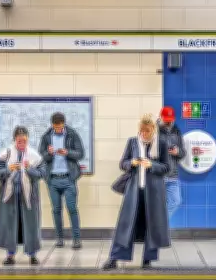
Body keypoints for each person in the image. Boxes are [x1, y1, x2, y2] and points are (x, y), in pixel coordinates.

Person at [102, 114, 171, 270]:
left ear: (153, 130)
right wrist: (132, 163)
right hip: (134, 191)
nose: (144, 134)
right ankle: (114, 258)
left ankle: (148, 260)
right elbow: (122, 163)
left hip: (154, 192)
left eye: (147, 131)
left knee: (152, 225)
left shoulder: (161, 143)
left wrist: (152, 165)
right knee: (125, 224)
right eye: (141, 131)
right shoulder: (133, 142)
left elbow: (167, 167)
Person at [0, 126, 46, 266]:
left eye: (24, 141)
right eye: (19, 141)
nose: (22, 144)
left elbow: (41, 174)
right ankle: (10, 255)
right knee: (10, 225)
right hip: (10, 195)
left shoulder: (34, 156)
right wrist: (8, 169)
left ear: (28, 140)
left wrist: (29, 169)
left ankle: (32, 255)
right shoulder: (6, 153)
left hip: (29, 196)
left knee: (31, 224)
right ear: (14, 140)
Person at [38, 112, 85, 249]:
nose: (58, 129)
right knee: (56, 210)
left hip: (68, 178)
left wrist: (67, 152)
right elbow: (41, 156)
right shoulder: (46, 136)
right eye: (56, 127)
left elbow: (80, 154)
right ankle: (59, 238)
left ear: (63, 124)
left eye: (60, 127)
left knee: (72, 208)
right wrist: (49, 153)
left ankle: (77, 239)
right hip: (52, 179)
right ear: (52, 125)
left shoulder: (72, 134)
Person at [157, 106, 186, 221]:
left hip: (172, 175)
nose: (168, 122)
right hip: (158, 175)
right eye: (166, 120)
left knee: (175, 201)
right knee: (156, 204)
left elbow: (183, 152)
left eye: (170, 120)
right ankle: (157, 227)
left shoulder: (176, 131)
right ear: (160, 117)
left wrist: (177, 152)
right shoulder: (154, 131)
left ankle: (160, 224)